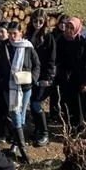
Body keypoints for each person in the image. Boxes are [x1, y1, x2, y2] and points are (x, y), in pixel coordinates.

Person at [0, 22, 40, 164]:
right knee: (15, 115)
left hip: (25, 87)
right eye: (10, 33)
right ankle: (23, 150)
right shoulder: (4, 47)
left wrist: (32, 79)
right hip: (9, 87)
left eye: (15, 33)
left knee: (21, 115)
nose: (12, 36)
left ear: (21, 33)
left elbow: (36, 65)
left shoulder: (27, 47)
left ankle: (16, 144)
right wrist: (2, 80)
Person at [25, 10, 56, 147]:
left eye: (40, 21)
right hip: (30, 74)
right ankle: (37, 129)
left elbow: (52, 59)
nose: (37, 24)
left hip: (43, 76)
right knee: (32, 102)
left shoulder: (48, 37)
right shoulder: (29, 34)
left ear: (44, 22)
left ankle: (44, 133)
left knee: (36, 103)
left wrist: (48, 77)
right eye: (35, 21)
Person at [54, 18, 86, 129]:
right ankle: (67, 126)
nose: (69, 30)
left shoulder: (82, 44)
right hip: (64, 78)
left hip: (78, 79)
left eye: (72, 28)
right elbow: (56, 59)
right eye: (67, 27)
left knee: (78, 104)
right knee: (65, 103)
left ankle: (78, 127)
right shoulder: (60, 40)